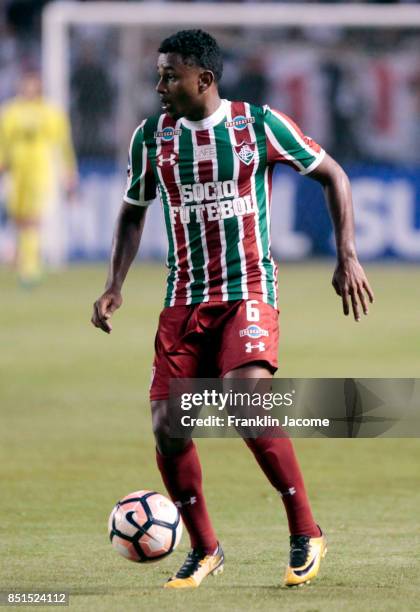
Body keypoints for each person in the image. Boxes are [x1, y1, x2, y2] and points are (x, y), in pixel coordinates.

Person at [92, 30, 374, 589]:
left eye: (170, 75)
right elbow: (132, 210)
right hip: (184, 299)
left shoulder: (259, 125)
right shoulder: (151, 138)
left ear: (204, 78)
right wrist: (114, 285)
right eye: (159, 74)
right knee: (168, 426)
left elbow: (333, 174)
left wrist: (347, 255)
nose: (160, 85)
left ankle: (305, 531)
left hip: (249, 290)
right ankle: (205, 549)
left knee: (245, 398)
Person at [0, 70, 78, 285]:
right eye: (25, 83)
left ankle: (30, 268)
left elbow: (63, 145)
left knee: (34, 218)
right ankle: (23, 258)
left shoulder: (51, 113)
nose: (29, 88)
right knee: (19, 219)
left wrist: (69, 172)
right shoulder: (9, 112)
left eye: (33, 83)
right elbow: (3, 145)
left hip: (41, 170)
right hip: (16, 172)